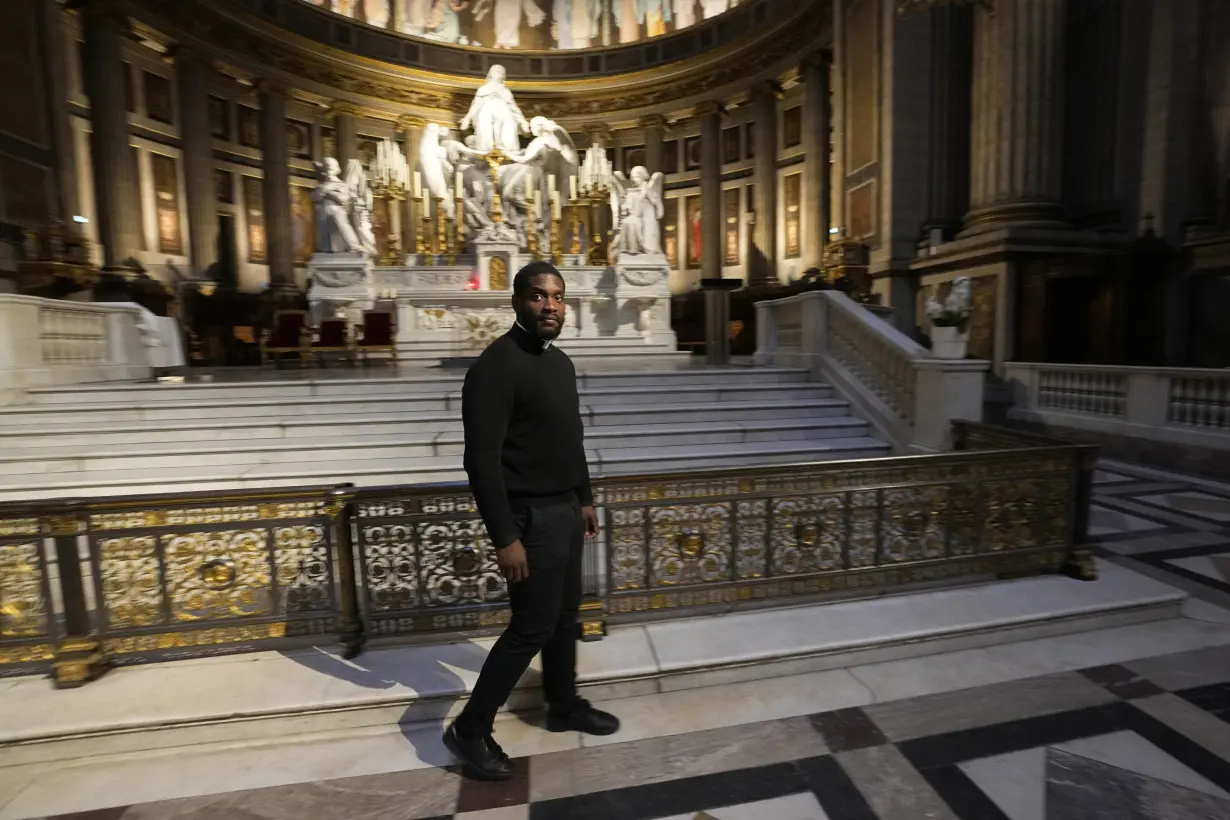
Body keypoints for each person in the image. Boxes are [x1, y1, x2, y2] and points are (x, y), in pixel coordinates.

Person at [444, 261, 619, 781]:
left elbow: (570, 439)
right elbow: (481, 462)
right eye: (539, 296)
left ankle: (562, 707)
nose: (551, 306)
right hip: (529, 519)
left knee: (566, 618)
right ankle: (471, 729)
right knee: (530, 628)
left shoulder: (560, 363)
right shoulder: (494, 369)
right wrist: (505, 536)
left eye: (558, 297)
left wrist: (583, 497)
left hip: (564, 509)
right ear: (517, 301)